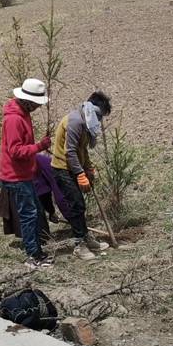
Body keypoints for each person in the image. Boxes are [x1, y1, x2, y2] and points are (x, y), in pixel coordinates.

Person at [50, 91, 113, 260]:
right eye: (100, 116)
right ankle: (79, 245)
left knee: (80, 205)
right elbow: (70, 152)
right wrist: (80, 174)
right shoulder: (76, 122)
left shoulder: (86, 123)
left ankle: (86, 237)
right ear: (93, 109)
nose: (99, 121)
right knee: (77, 205)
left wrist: (89, 168)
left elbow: (82, 150)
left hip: (73, 168)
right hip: (62, 169)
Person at [0, 78, 54, 268]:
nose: (38, 107)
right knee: (29, 215)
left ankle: (36, 250)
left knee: (33, 212)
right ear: (28, 101)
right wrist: (39, 146)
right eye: (36, 104)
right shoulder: (14, 119)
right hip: (16, 176)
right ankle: (33, 256)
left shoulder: (23, 113)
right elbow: (15, 151)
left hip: (24, 174)